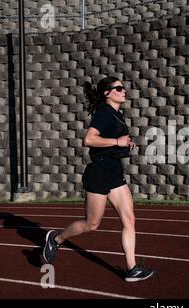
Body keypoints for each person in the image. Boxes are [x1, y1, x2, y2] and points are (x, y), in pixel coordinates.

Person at [42, 76, 155, 282]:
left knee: (129, 219)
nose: (123, 91)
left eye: (123, 87)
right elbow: (89, 139)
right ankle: (56, 239)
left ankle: (132, 269)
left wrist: (124, 144)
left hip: (114, 172)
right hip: (100, 173)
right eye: (119, 88)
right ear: (107, 93)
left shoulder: (117, 114)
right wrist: (117, 141)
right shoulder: (104, 113)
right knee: (91, 224)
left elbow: (113, 143)